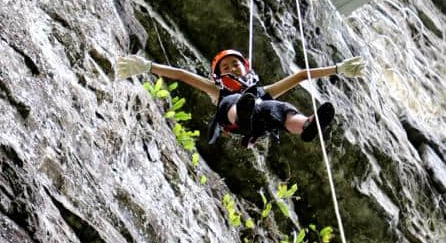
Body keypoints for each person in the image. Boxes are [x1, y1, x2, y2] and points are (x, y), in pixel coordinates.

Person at [116, 50, 365, 148]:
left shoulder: (263, 92)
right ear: (218, 74)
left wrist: (337, 69)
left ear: (246, 68)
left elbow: (300, 76)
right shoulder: (217, 89)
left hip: (259, 121)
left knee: (279, 107)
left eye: (236, 63)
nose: (233, 67)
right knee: (231, 102)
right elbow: (182, 75)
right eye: (226, 66)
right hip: (235, 121)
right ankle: (242, 111)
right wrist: (147, 67)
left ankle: (307, 125)